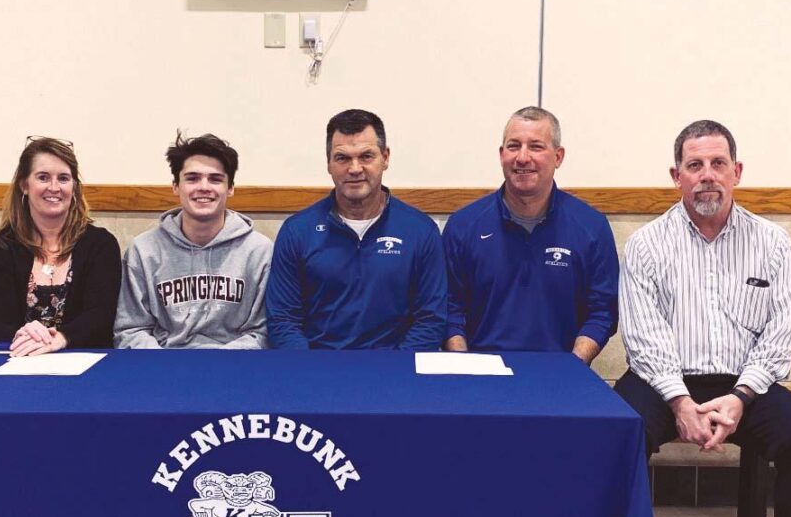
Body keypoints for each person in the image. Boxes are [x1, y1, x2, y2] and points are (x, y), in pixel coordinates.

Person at [615, 120, 791, 517]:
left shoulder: (772, 243)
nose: (707, 175)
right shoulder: (647, 244)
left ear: (736, 172)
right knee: (619, 435)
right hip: (662, 383)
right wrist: (680, 403)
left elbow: (781, 334)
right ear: (676, 177)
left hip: (745, 384)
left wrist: (740, 396)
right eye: (695, 165)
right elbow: (644, 339)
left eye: (718, 163)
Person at [442, 107, 618, 363]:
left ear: (558, 157)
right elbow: (449, 310)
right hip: (481, 376)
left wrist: (572, 366)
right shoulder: (463, 225)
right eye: (513, 146)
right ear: (501, 155)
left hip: (562, 375)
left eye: (536, 147)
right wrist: (466, 365)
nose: (522, 158)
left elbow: (602, 312)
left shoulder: (592, 227)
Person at [266, 108, 446, 350]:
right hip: (318, 370)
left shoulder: (421, 231)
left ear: (386, 158)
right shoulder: (297, 232)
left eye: (366, 156)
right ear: (328, 163)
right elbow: (283, 320)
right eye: (342, 158)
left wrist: (398, 373)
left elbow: (430, 320)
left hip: (394, 371)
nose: (354, 168)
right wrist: (308, 371)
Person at [114, 132, 272, 349]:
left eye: (215, 179)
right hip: (164, 367)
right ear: (176, 186)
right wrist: (167, 367)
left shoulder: (260, 251)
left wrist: (218, 366)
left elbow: (262, 332)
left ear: (231, 188)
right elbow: (130, 329)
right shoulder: (143, 251)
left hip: (235, 368)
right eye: (192, 178)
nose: (204, 187)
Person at [0, 136, 121, 355]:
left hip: (87, 366)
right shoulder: (2, 249)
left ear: (74, 187)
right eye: (43, 177)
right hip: (20, 362)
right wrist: (24, 333)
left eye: (64, 178)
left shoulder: (101, 245)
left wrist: (62, 338)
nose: (54, 187)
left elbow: (101, 318)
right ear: (24, 185)